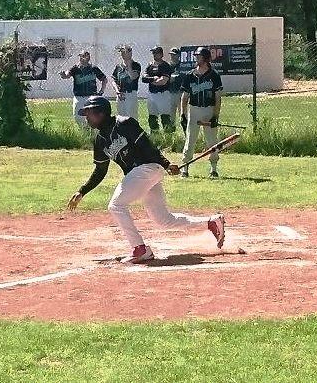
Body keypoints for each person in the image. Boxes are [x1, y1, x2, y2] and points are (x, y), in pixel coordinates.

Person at [67, 95, 226, 263]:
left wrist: (165, 164)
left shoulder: (124, 123)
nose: (87, 118)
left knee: (116, 205)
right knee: (163, 220)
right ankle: (211, 222)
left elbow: (147, 145)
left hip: (147, 168)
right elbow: (100, 170)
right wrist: (82, 191)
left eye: (89, 113)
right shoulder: (100, 141)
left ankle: (140, 249)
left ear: (100, 112)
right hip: (140, 176)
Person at [179, 47, 223, 178]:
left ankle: (213, 169)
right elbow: (184, 97)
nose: (196, 58)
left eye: (199, 56)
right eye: (196, 56)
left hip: (209, 109)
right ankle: (185, 168)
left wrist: (215, 116)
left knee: (212, 140)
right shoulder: (190, 75)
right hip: (194, 109)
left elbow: (218, 98)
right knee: (190, 139)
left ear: (206, 58)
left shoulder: (214, 75)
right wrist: (183, 114)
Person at [60, 51, 107, 126]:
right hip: (79, 97)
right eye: (80, 56)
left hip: (91, 97)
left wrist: (101, 91)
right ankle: (83, 131)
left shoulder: (93, 68)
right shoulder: (75, 68)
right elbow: (67, 75)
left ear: (88, 58)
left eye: (83, 56)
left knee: (92, 117)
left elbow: (104, 79)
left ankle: (91, 131)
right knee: (78, 117)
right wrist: (63, 75)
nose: (81, 58)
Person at [141, 46, 173, 131]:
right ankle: (155, 134)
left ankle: (168, 135)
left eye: (156, 53)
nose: (154, 54)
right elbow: (143, 78)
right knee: (152, 117)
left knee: (165, 117)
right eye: (153, 53)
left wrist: (150, 80)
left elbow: (162, 81)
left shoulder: (165, 65)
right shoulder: (150, 65)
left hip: (163, 94)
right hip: (152, 94)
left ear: (161, 54)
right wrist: (153, 78)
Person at [111, 46, 141, 120]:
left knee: (132, 117)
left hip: (130, 94)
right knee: (121, 117)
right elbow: (114, 80)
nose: (122, 54)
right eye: (121, 52)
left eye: (124, 52)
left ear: (130, 53)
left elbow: (133, 77)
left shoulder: (136, 65)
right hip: (120, 95)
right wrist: (117, 91)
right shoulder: (118, 66)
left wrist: (129, 65)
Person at [168, 47, 183, 122]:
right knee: (171, 113)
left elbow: (184, 78)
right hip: (170, 92)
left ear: (178, 55)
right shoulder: (167, 66)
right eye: (171, 54)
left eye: (174, 54)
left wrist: (175, 78)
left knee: (182, 113)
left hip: (180, 92)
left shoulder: (182, 66)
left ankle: (184, 127)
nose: (172, 56)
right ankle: (171, 127)